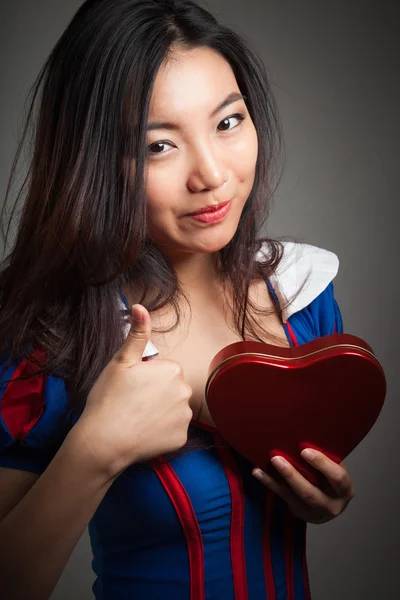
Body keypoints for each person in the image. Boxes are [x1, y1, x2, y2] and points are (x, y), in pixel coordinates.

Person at [0, 1, 355, 598]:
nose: (211, 173)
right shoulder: (50, 345)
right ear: (93, 162)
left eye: (228, 121)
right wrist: (96, 448)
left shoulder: (302, 294)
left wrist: (321, 502)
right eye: (158, 146)